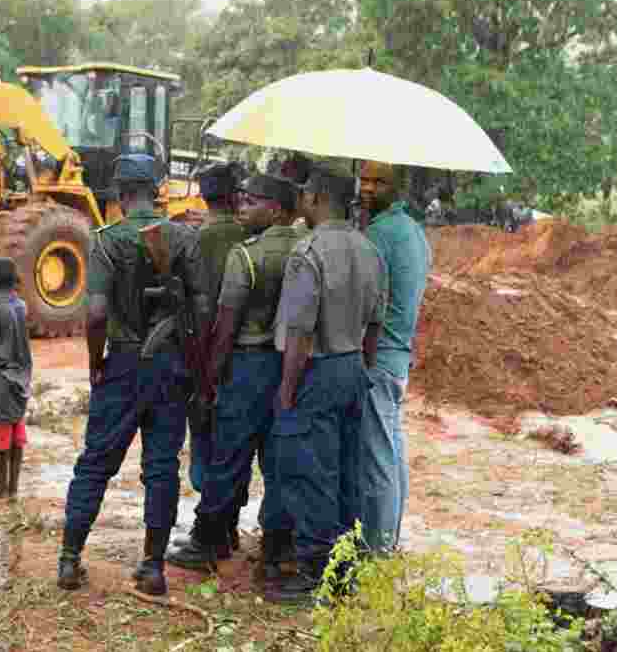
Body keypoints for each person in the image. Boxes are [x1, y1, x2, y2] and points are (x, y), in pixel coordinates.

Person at [57, 154, 210, 597]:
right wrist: (195, 362)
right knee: (161, 468)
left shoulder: (105, 241)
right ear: (158, 191)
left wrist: (94, 361)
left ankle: (69, 561)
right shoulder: (185, 238)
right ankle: (153, 567)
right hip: (171, 367)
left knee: (94, 464)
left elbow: (97, 312)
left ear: (121, 195)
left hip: (122, 363)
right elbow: (201, 307)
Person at [166, 174, 300, 585]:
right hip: (290, 364)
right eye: (242, 199)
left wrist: (209, 379)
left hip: (246, 365)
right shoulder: (304, 249)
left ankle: (210, 539)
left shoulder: (246, 256)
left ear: (275, 208)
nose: (243, 206)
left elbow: (225, 326)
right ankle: (277, 548)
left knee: (228, 455)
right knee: (279, 461)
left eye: (253, 201)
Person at [265, 168, 386, 603]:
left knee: (309, 471)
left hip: (316, 370)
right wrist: (363, 367)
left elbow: (299, 330)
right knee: (345, 471)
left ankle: (314, 572)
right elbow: (375, 323)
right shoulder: (370, 251)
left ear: (314, 198)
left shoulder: (308, 252)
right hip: (353, 367)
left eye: (303, 193)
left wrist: (287, 388)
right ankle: (342, 569)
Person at [169, 161, 246, 558]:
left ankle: (209, 530)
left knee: (205, 440)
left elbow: (195, 306)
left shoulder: (198, 240)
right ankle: (228, 527)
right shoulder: (249, 233)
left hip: (207, 354)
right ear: (235, 196)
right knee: (236, 445)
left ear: (204, 195)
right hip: (246, 354)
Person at [358, 161, 431, 555]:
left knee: (377, 458)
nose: (368, 187)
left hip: (379, 355)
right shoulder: (414, 232)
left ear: (398, 187)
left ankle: (377, 548)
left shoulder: (380, 234)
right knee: (391, 451)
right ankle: (389, 539)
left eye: (378, 181)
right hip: (398, 356)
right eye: (364, 179)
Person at [0, 257, 33, 502]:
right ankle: (14, 488)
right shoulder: (21, 306)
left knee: (0, 437)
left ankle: (1, 489)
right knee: (17, 433)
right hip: (21, 377)